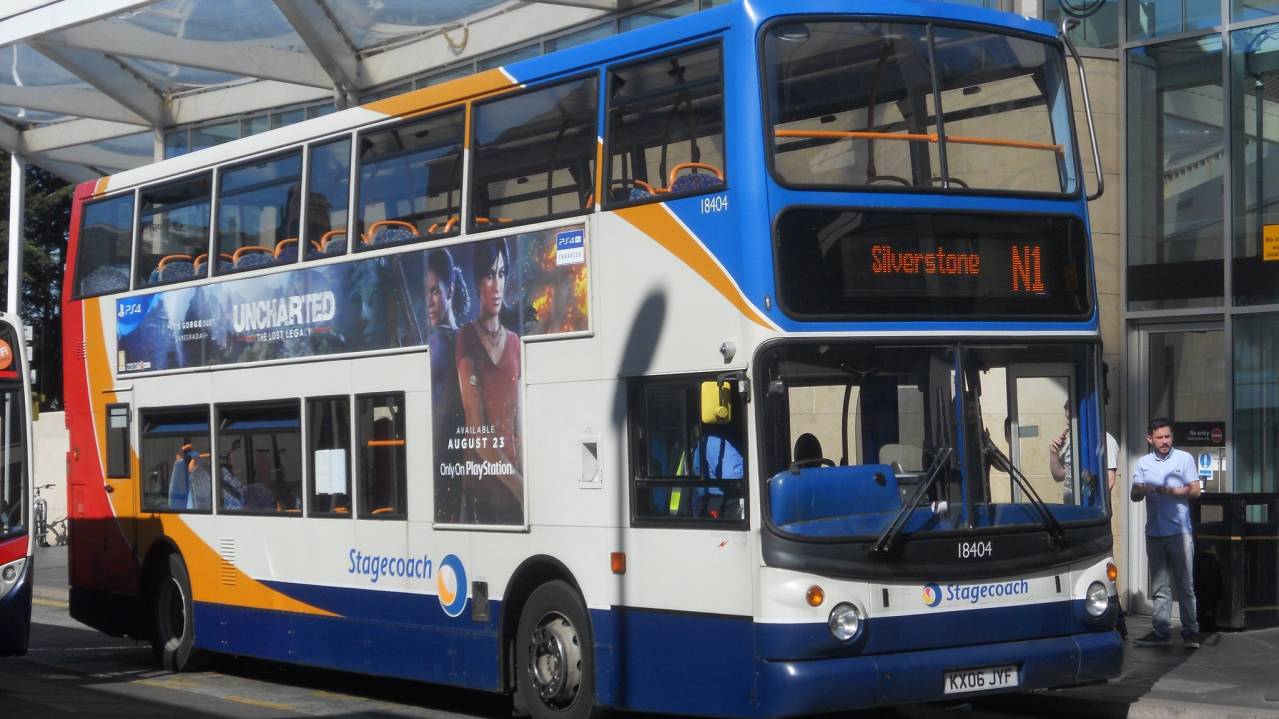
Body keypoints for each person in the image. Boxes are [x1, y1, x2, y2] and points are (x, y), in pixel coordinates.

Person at [456, 238, 522, 524]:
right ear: (476, 281)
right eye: (488, 274)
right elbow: (478, 434)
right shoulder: (466, 340)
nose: (496, 285)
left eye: (502, 273)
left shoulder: (516, 343)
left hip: (516, 492)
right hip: (484, 496)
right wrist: (521, 487)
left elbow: (520, 423)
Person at [1130, 417, 1201, 649]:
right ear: (1149, 439)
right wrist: (1141, 489)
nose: (1164, 441)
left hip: (1179, 532)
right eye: (1159, 437)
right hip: (1154, 532)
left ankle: (1190, 631)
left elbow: (1195, 490)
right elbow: (1134, 495)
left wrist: (1170, 490)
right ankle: (1162, 631)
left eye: (1167, 436)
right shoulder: (1143, 463)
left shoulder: (1184, 459)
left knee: (1185, 585)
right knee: (1160, 587)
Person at [427, 248, 470, 523]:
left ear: (450, 289)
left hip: (451, 469)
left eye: (434, 291)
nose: (428, 302)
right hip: (446, 469)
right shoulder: (453, 340)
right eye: (425, 293)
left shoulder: (449, 343)